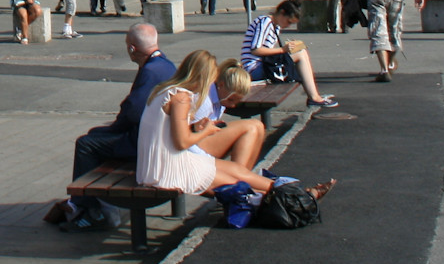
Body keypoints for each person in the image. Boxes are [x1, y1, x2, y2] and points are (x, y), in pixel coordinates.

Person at [136, 50, 336, 222]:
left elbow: (171, 132)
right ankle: (300, 197)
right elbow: (181, 142)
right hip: (169, 169)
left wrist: (197, 125)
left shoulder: (165, 91)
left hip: (157, 165)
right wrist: (206, 131)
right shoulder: (181, 97)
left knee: (238, 173)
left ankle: (298, 194)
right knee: (238, 181)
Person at [52, 23, 175, 231]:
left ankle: (89, 210)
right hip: (161, 138)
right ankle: (100, 205)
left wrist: (113, 128)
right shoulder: (167, 65)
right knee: (95, 137)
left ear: (132, 49)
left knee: (86, 144)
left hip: (144, 142)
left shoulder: (151, 71)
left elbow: (133, 112)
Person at [241, 0, 340, 108]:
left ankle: (314, 95)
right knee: (301, 54)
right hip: (254, 69)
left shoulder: (274, 26)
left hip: (262, 66)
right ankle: (314, 97)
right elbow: (256, 49)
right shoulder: (265, 22)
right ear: (282, 13)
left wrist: (286, 51)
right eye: (288, 22)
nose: (288, 26)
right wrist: (283, 50)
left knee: (301, 51)